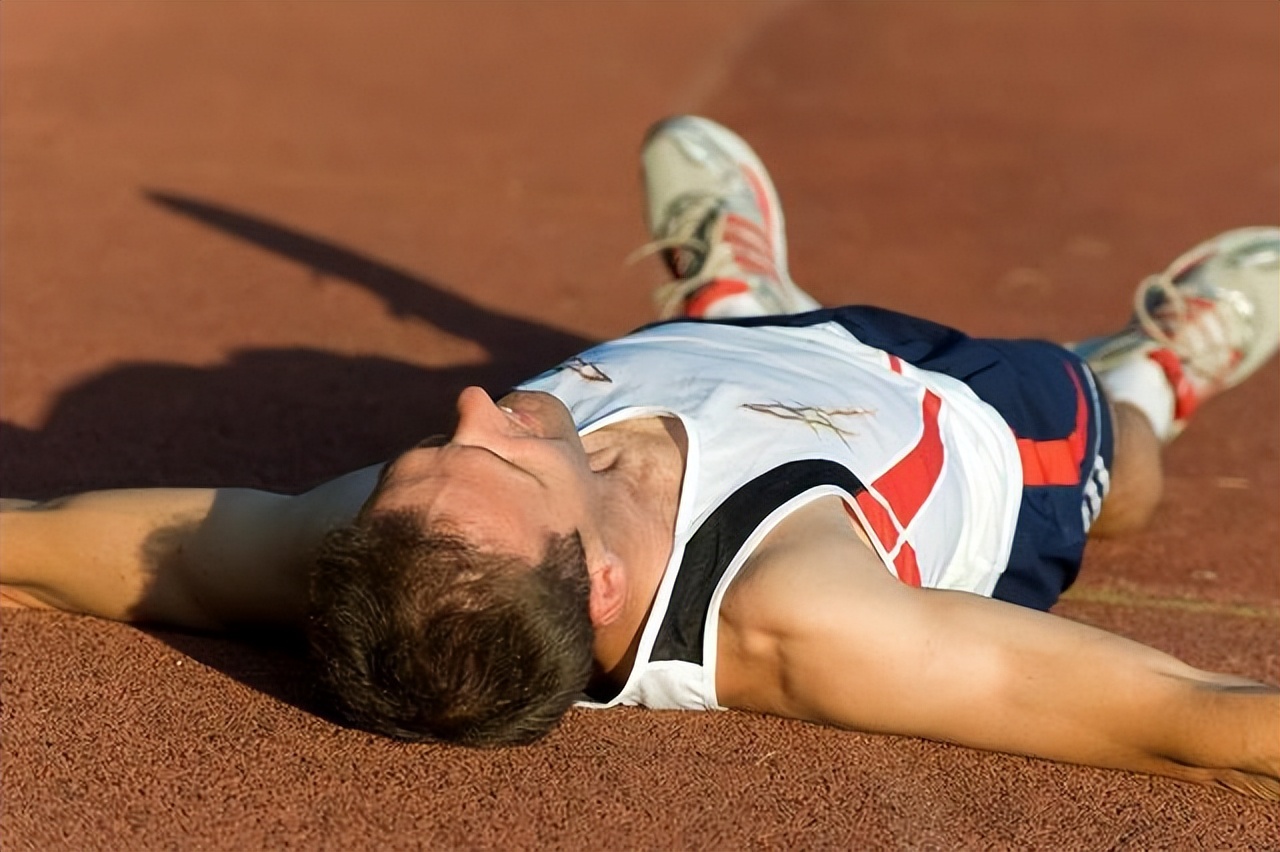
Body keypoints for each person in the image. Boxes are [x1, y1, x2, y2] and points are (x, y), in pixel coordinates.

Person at [3, 116, 1278, 799]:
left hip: (742, 360)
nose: (468, 408)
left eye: (430, 451)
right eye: (498, 458)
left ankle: (732, 292)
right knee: (1125, 473)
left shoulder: (397, 549)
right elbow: (1183, 721)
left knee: (695, 339)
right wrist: (1110, 423)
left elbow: (47, 543)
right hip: (979, 419)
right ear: (600, 586)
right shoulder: (801, 617)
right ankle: (1153, 376)